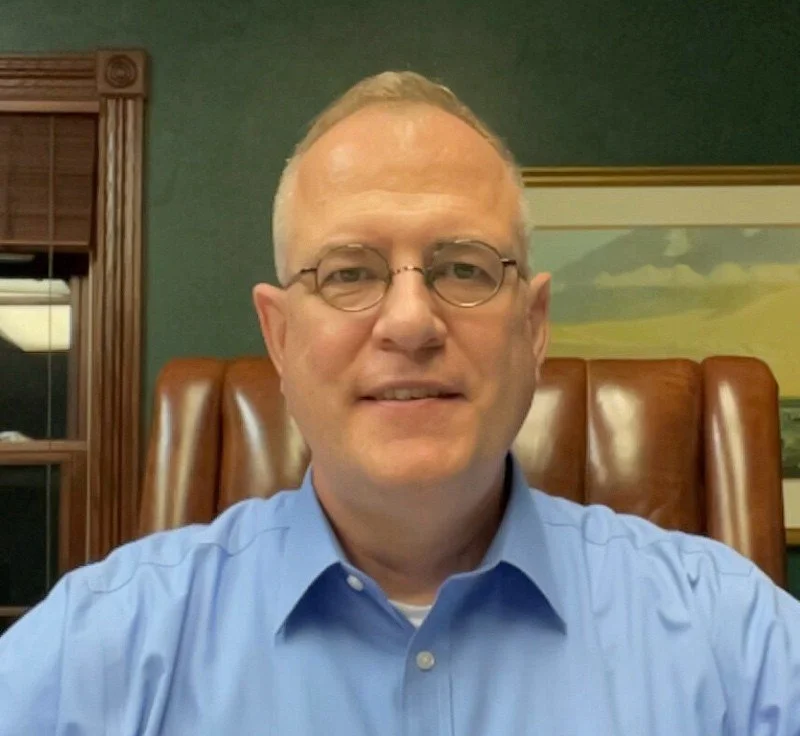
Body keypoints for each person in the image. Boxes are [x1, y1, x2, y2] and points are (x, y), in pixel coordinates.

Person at [1, 71, 799, 735]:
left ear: (533, 325)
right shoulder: (96, 652)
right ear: (279, 338)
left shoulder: (737, 641)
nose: (412, 322)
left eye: (464, 269)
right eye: (348, 273)